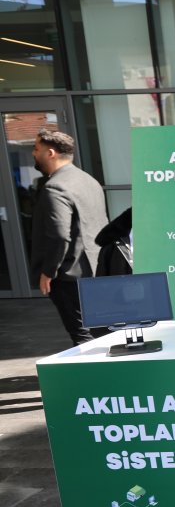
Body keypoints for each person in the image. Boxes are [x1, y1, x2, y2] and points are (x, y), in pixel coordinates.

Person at [30, 129, 108, 345]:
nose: (34, 153)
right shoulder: (88, 180)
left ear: (50, 153)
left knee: (83, 337)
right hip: (96, 270)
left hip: (69, 276)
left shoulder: (55, 187)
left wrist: (48, 272)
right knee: (100, 333)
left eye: (36, 149)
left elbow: (59, 235)